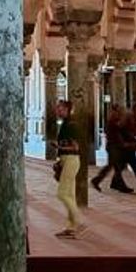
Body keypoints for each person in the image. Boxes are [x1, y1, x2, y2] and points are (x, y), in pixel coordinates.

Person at [52, 99, 84, 239]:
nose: (57, 110)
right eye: (57, 108)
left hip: (71, 160)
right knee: (70, 195)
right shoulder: (65, 124)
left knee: (62, 194)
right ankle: (71, 227)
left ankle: (78, 221)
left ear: (67, 109)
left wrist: (59, 147)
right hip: (67, 161)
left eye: (60, 108)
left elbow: (76, 147)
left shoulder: (71, 125)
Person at [91, 104, 132, 193]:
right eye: (118, 111)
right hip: (113, 146)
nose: (119, 113)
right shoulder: (112, 120)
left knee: (115, 166)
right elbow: (116, 131)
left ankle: (115, 184)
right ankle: (97, 180)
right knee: (114, 166)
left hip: (114, 146)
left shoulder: (114, 119)